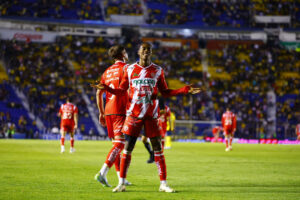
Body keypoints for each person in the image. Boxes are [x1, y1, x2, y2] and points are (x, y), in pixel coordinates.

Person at [92, 42, 201, 193]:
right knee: (127, 149)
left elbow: (166, 92)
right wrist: (108, 88)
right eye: (143, 49)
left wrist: (184, 89)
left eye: (149, 50)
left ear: (151, 53)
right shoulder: (130, 69)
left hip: (151, 116)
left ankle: (163, 184)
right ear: (138, 52)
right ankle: (121, 183)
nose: (146, 52)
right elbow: (121, 90)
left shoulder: (157, 70)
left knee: (158, 149)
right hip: (133, 115)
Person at [94, 45, 131, 187]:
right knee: (120, 144)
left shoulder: (107, 72)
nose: (127, 54)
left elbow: (99, 93)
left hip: (108, 110)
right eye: (126, 51)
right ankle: (102, 173)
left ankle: (121, 178)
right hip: (120, 110)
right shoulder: (126, 68)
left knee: (116, 146)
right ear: (122, 54)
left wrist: (101, 112)